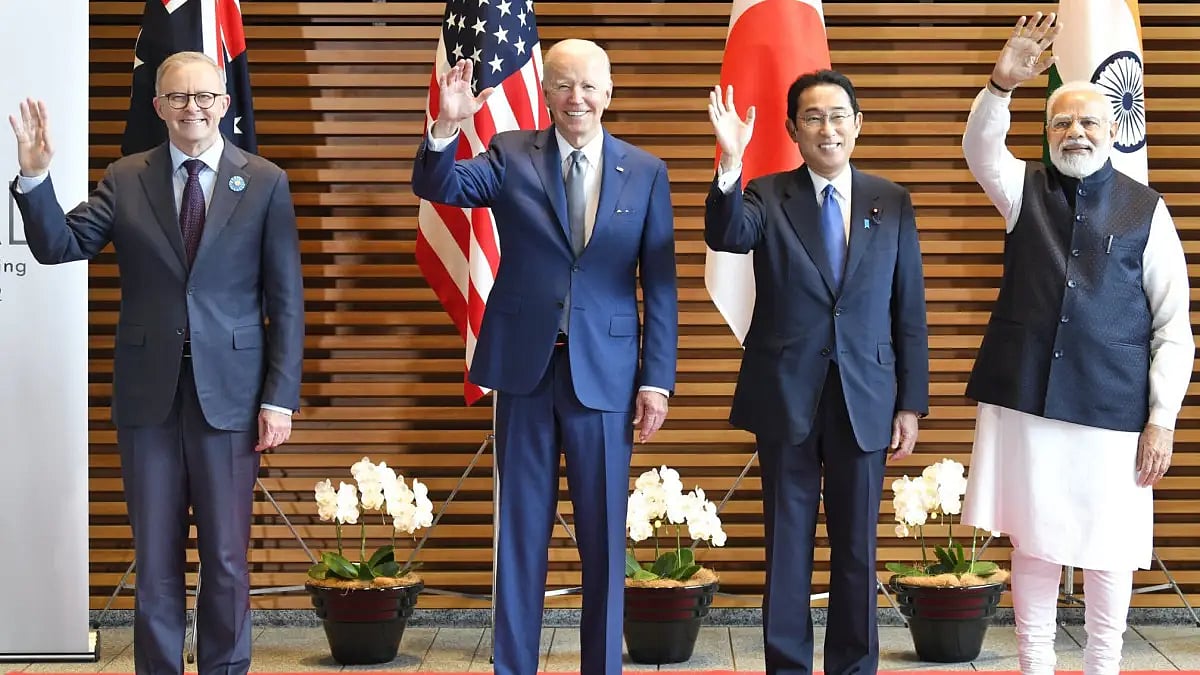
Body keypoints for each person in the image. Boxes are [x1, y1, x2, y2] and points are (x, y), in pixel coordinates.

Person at [8, 51, 304, 674]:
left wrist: (279, 397)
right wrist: (35, 179)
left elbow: (286, 300)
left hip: (233, 399)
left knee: (225, 560)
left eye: (203, 98)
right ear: (158, 106)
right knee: (157, 560)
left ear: (225, 104)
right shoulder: (126, 177)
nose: (191, 108)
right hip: (149, 399)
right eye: (178, 98)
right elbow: (61, 245)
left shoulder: (267, 181)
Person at [410, 39, 677, 675]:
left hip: (607, 377)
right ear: (547, 92)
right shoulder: (508, 153)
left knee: (604, 540)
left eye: (588, 86)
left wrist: (656, 381)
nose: (575, 98)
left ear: (609, 92)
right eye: (562, 85)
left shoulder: (645, 171)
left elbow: (660, 285)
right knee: (521, 536)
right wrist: (447, 124)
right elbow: (439, 182)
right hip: (525, 371)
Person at [960, 12, 1194, 675]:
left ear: (1114, 130)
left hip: (1115, 407)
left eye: (1090, 121)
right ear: (1048, 132)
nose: (1075, 132)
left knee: (1109, 544)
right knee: (1033, 541)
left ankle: (1102, 666)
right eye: (1062, 122)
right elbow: (981, 149)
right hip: (1028, 400)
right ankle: (1033, 663)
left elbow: (1174, 326)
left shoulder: (1144, 209)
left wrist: (1161, 419)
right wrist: (1001, 86)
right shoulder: (1022, 189)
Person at [705, 71, 929, 675]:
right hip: (787, 396)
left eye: (838, 116)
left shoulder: (893, 200)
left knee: (857, 548)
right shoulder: (766, 195)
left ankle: (854, 666)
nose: (827, 128)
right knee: (787, 547)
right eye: (812, 118)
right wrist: (730, 160)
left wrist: (910, 404)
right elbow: (726, 233)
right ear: (792, 130)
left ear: (858, 124)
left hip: (867, 398)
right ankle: (787, 666)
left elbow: (908, 309)